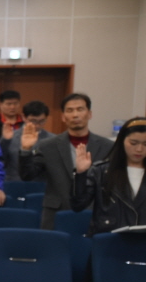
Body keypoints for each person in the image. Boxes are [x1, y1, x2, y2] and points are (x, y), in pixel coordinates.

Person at [20, 93, 114, 229]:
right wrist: (26, 150)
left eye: (80, 109)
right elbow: (27, 175)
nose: (75, 115)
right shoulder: (48, 145)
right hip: (56, 213)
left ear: (89, 114)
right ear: (63, 117)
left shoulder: (107, 146)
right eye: (70, 110)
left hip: (94, 213)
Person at [71, 117, 146, 234]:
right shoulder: (101, 171)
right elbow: (78, 205)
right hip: (109, 240)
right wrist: (81, 174)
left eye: (145, 144)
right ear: (122, 141)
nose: (139, 149)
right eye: (133, 143)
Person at [1, 100, 51, 181]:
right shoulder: (10, 136)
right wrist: (5, 141)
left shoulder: (52, 139)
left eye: (42, 121)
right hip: (14, 185)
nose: (37, 125)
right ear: (24, 117)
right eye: (33, 121)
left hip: (41, 187)